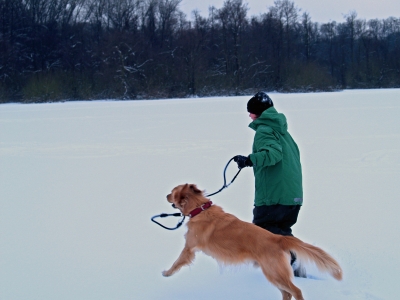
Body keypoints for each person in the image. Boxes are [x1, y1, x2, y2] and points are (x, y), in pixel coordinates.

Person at [234, 91, 306, 277]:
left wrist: (249, 160)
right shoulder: (283, 132)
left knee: (262, 232)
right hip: (291, 195)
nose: (249, 116)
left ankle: (291, 264)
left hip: (274, 196)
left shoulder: (265, 130)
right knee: (279, 232)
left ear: (259, 112)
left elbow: (273, 155)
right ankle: (295, 266)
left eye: (251, 112)